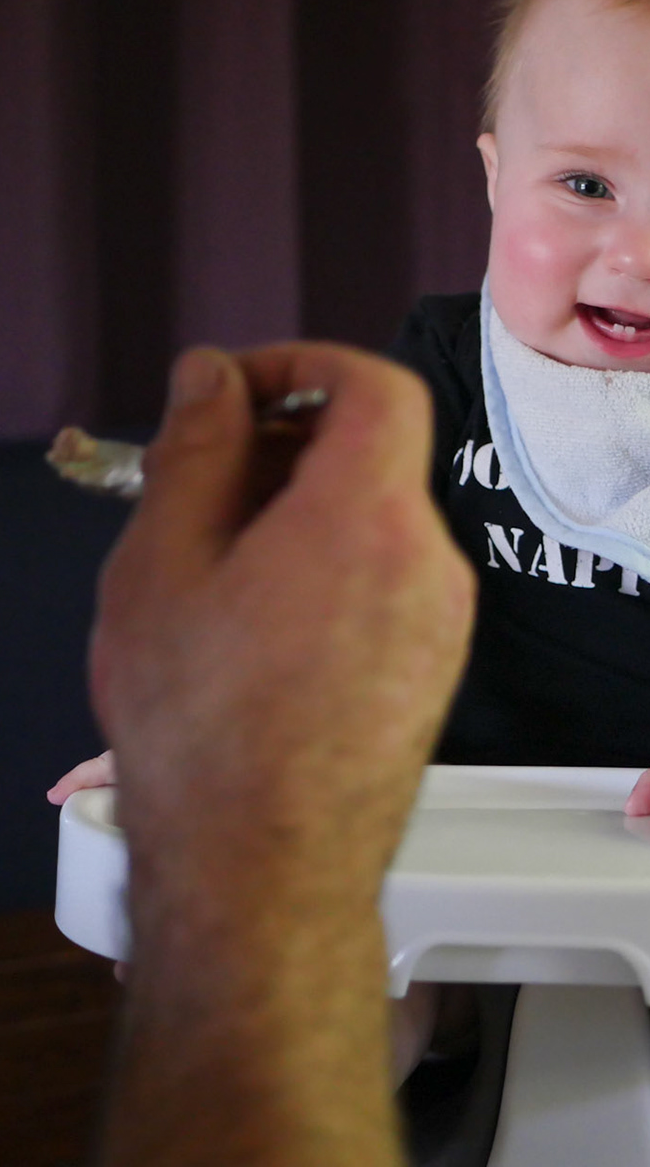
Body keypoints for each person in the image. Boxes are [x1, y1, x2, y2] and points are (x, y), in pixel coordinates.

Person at [56, 0, 650, 1111]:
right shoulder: (454, 368)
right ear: (495, 176)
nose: (642, 253)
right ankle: (398, 1015)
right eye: (586, 186)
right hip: (457, 824)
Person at [86, 342, 475, 1166]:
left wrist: (220, 920)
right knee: (397, 989)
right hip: (427, 847)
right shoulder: (454, 363)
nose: (648, 272)